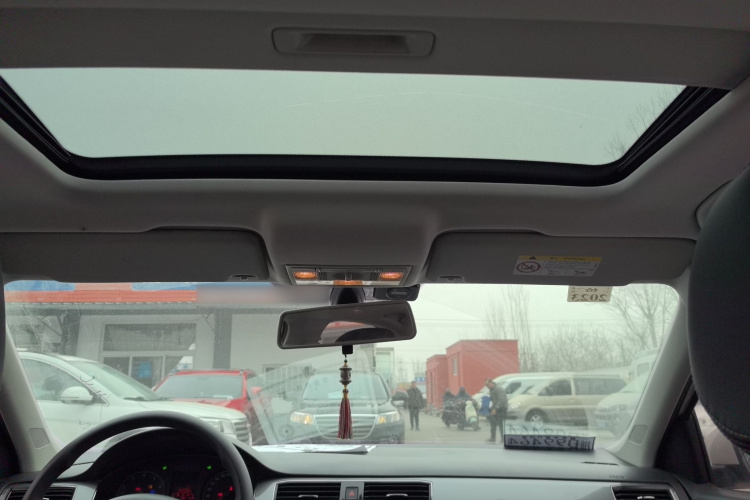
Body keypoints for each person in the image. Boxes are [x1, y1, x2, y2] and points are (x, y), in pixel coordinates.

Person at [485, 378, 508, 444]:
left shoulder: (499, 389)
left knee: (501, 424)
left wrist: (496, 408)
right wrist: (491, 408)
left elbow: (501, 400)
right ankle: (493, 437)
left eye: (487, 385)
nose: (487, 386)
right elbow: (493, 400)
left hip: (502, 408)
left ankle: (503, 438)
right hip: (495, 408)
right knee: (493, 423)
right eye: (486, 385)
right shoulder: (491, 390)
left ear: (491, 382)